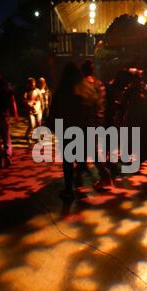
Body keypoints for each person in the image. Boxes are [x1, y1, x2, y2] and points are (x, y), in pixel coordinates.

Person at [50, 63, 85, 199]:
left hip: (65, 129)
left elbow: (54, 112)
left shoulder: (60, 93)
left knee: (67, 160)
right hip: (80, 128)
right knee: (79, 157)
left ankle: (69, 188)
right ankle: (80, 183)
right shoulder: (82, 91)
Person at [79, 60, 112, 191]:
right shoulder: (100, 84)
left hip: (88, 121)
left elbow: (82, 104)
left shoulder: (84, 84)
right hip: (99, 120)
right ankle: (83, 171)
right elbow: (102, 103)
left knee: (92, 150)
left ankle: (105, 177)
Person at [23, 77, 44, 145]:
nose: (33, 85)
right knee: (32, 125)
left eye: (33, 83)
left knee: (38, 124)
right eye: (31, 84)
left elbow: (41, 99)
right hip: (30, 111)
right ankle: (27, 136)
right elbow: (24, 100)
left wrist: (42, 107)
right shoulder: (26, 92)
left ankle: (37, 138)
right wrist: (29, 104)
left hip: (38, 110)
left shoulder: (38, 91)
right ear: (28, 84)